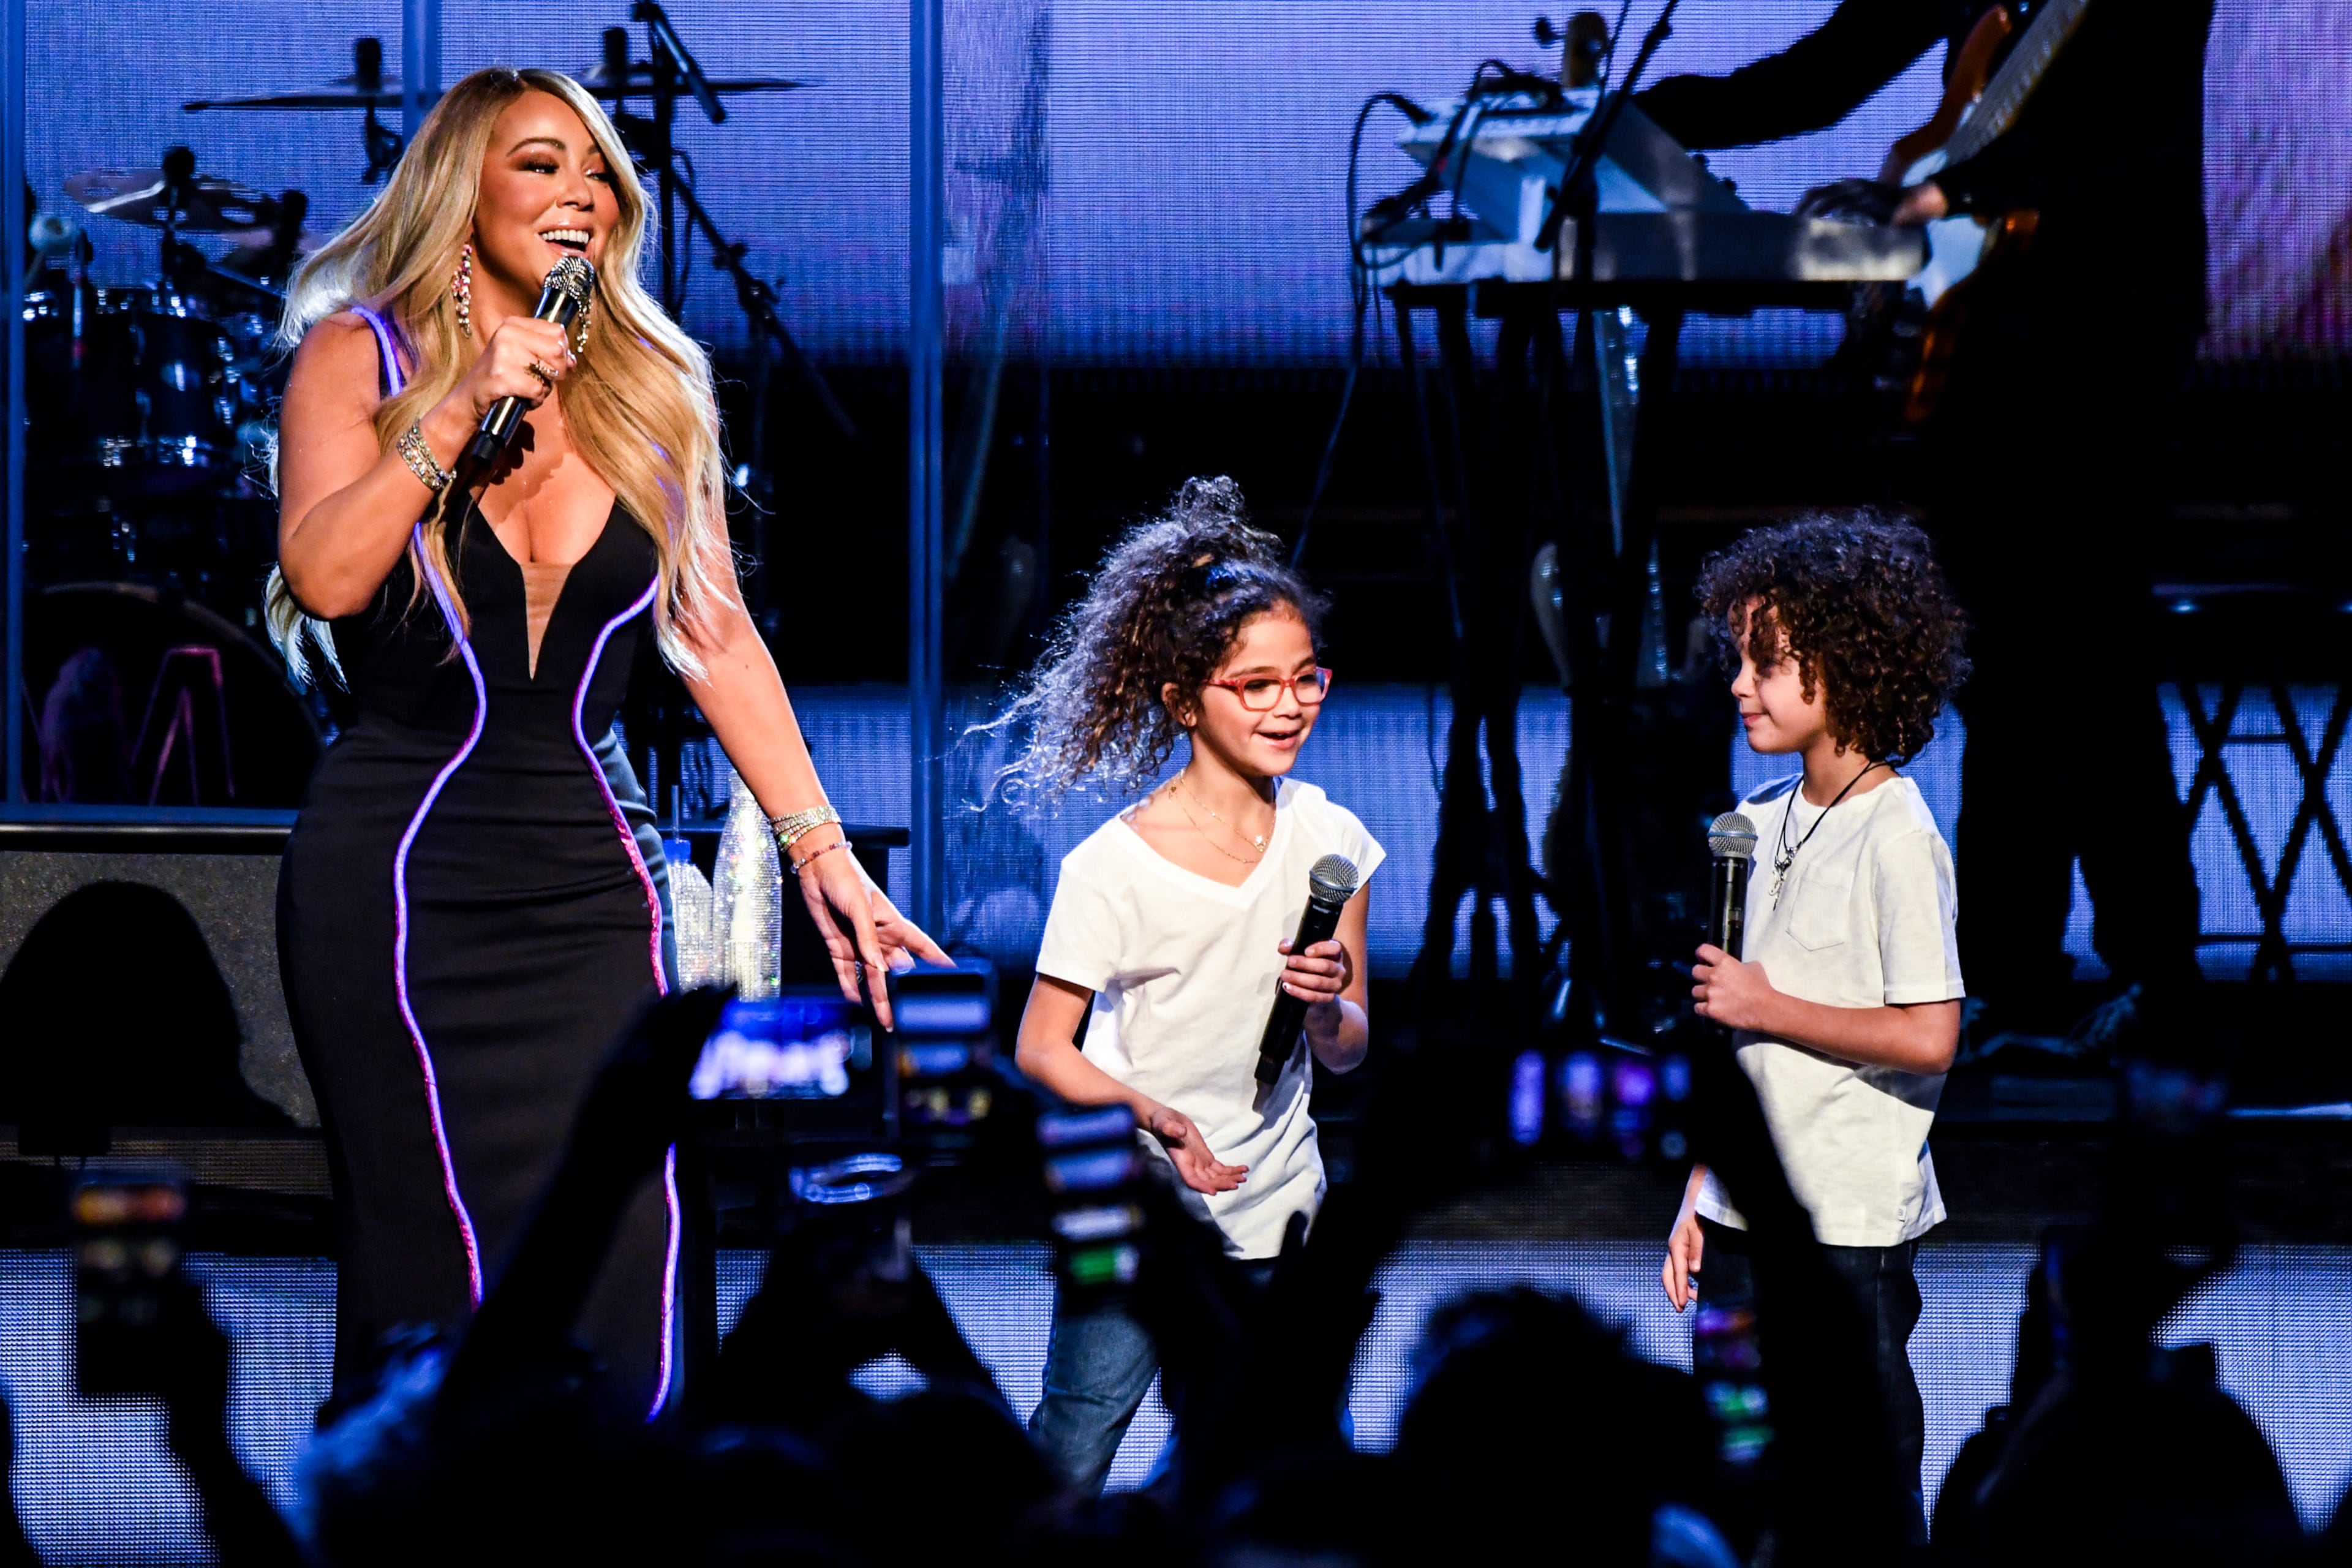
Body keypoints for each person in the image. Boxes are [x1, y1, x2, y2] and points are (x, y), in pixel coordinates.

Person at [268, 67, 945, 1413]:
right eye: (538, 164)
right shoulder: (360, 354)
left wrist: (825, 853)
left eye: (595, 171)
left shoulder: (657, 386)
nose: (578, 192)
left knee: (640, 1246)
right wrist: (456, 414)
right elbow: (329, 577)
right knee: (435, 1281)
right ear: (464, 186)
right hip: (402, 882)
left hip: (594, 886)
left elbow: (719, 635)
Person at [1637, 0, 2212, 1045]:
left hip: (2107, 337)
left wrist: (1948, 188)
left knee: (2085, 651)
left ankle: (2156, 971)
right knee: (2001, 664)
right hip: (1990, 343)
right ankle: (2008, 966)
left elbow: (2133, 119)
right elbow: (1823, 72)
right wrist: (1632, 122)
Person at [996, 478, 1382, 1494]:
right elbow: (1041, 1049)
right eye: (1256, 684)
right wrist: (1158, 1119)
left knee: (1297, 1463)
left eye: (1305, 679)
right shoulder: (1109, 868)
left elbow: (1348, 1052)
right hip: (1130, 1205)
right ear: (1182, 700)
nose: (1289, 704)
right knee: (1076, 1438)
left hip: (1282, 1198)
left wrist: (1329, 1001)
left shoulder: (1332, 841)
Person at [1660, 514, 1970, 1531]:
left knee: (1860, 1478)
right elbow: (1735, 1045)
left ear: (1847, 667)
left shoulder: (1898, 834)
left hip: (1846, 1228)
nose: (1739, 684)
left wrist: (1769, 1004)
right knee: (1737, 1464)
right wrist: (1700, 1190)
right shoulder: (1754, 816)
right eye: (1737, 660)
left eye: (1766, 662)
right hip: (1744, 1216)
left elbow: (1930, 1034)